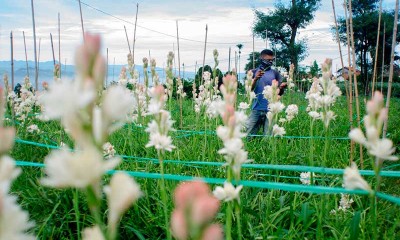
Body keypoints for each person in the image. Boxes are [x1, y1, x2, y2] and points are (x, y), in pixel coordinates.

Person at [246, 49, 286, 136]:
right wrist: (255, 79)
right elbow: (249, 90)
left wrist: (282, 88)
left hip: (270, 110)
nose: (270, 62)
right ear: (261, 58)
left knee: (268, 137)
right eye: (268, 60)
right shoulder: (253, 72)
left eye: (272, 60)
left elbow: (280, 92)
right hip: (256, 108)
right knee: (248, 135)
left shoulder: (275, 73)